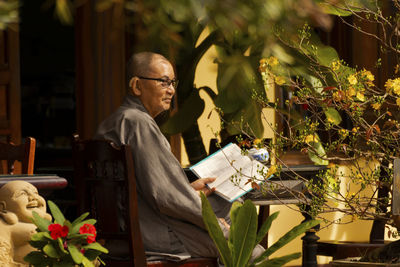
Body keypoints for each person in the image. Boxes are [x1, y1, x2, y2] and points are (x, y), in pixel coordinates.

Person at [95, 52, 261, 259]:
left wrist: (187, 189)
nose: (171, 90)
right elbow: (165, 198)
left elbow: (148, 190)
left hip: (129, 231)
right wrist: (215, 224)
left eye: (173, 82)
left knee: (228, 206)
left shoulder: (113, 122)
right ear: (137, 86)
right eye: (163, 82)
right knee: (252, 251)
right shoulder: (138, 123)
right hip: (157, 234)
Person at [0, 181, 52, 266]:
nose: (33, 197)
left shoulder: (47, 223)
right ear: (2, 207)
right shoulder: (5, 226)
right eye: (22, 194)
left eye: (35, 192)